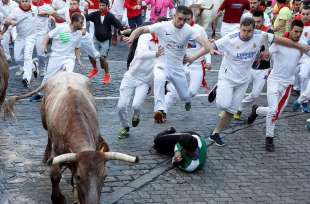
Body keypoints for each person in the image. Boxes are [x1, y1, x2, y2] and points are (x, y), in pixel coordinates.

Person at [185, 17, 310, 147]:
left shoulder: (260, 35)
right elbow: (210, 46)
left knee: (231, 111)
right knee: (223, 105)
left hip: (243, 80)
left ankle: (215, 133)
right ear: (240, 28)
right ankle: (218, 88)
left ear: (253, 29)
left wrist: (300, 46)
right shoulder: (230, 38)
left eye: (249, 31)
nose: (246, 34)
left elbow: (281, 40)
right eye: (243, 30)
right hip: (227, 78)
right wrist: (193, 57)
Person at [123, 6, 216, 123]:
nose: (182, 22)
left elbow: (206, 45)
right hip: (162, 64)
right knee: (158, 78)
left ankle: (187, 100)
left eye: (186, 20)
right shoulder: (163, 26)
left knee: (185, 96)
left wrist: (196, 56)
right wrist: (132, 37)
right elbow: (141, 30)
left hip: (177, 68)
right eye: (180, 19)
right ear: (174, 16)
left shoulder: (190, 30)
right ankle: (160, 110)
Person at [248, 19, 307, 152]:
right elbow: (264, 36)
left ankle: (256, 110)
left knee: (276, 112)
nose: (298, 34)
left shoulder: (302, 44)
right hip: (274, 80)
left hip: (288, 84)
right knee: (273, 111)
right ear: (290, 30)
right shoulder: (280, 42)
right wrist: (267, 52)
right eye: (296, 31)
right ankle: (269, 138)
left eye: (300, 32)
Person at [117, 28, 164, 139]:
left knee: (136, 105)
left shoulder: (166, 43)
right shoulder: (145, 37)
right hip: (131, 76)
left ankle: (136, 113)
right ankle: (125, 126)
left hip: (145, 81)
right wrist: (155, 53)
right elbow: (141, 54)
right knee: (121, 106)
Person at [30, 13, 84, 101]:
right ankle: (40, 94)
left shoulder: (78, 33)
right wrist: (44, 45)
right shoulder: (62, 28)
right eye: (81, 23)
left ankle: (63, 95)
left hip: (69, 58)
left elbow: (77, 47)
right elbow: (48, 36)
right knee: (48, 77)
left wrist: (78, 59)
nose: (82, 25)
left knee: (68, 75)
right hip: (56, 56)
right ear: (74, 22)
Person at [164, 13, 212, 115]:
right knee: (173, 90)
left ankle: (187, 99)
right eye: (183, 19)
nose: (185, 22)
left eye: (188, 19)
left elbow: (207, 46)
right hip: (180, 64)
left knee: (192, 92)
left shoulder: (199, 30)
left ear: (192, 18)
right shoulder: (176, 29)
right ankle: (162, 112)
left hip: (196, 64)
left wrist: (208, 61)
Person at [234, 10, 273, 120]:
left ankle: (239, 107)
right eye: (255, 22)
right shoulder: (248, 31)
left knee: (255, 94)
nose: (257, 24)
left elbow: (274, 49)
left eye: (259, 21)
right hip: (248, 67)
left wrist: (272, 65)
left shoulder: (269, 32)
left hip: (263, 69)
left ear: (263, 20)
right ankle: (232, 110)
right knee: (238, 88)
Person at [85, 0, 124, 85]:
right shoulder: (95, 14)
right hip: (96, 39)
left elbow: (118, 24)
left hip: (106, 40)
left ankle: (107, 74)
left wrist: (124, 30)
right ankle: (95, 69)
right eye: (99, 5)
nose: (100, 7)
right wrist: (83, 12)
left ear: (107, 6)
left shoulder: (110, 16)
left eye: (102, 5)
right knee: (90, 54)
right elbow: (85, 17)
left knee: (103, 58)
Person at [292, 5, 310, 112]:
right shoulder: (296, 25)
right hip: (296, 54)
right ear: (300, 14)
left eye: (308, 14)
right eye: (303, 14)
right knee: (294, 75)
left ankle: (304, 101)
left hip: (307, 56)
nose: (305, 16)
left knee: (303, 76)